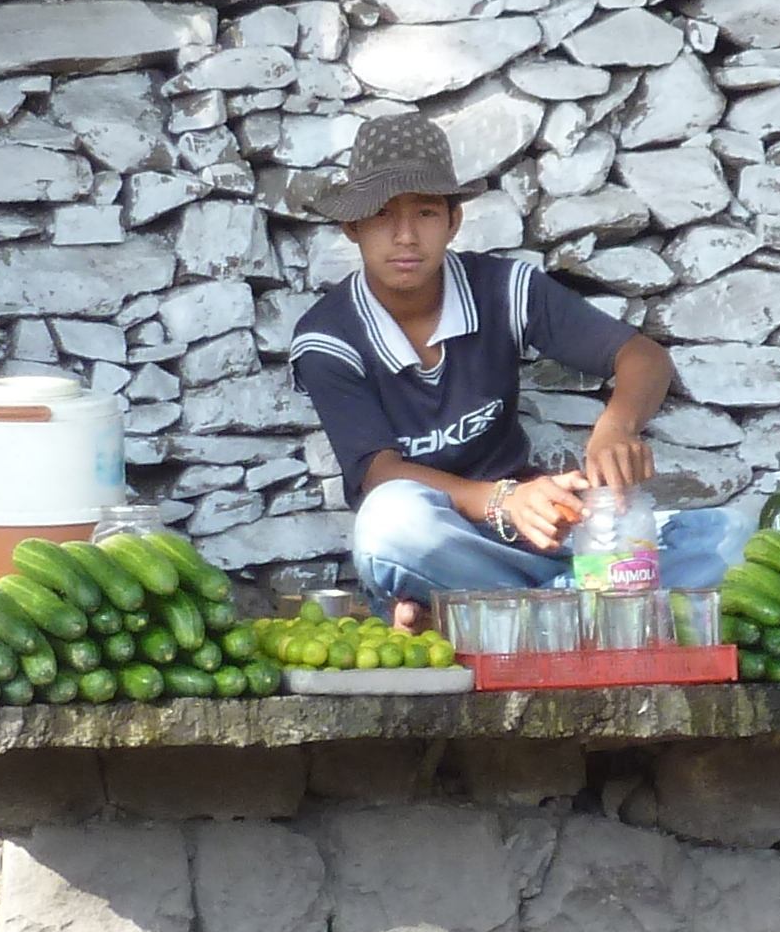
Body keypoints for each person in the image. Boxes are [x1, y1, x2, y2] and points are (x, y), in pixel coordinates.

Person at [288, 111, 738, 627]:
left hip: (536, 536)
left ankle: (503, 618)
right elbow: (378, 472)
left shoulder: (501, 289)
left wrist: (616, 428)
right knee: (389, 523)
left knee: (732, 536)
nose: (406, 236)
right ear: (353, 226)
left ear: (454, 220)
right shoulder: (329, 337)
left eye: (427, 214)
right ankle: (591, 610)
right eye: (383, 215)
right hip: (449, 545)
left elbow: (643, 357)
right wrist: (503, 500)